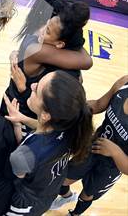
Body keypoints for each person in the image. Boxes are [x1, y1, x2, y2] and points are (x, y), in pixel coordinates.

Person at [4, 71, 94, 216]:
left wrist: (17, 128)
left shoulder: (21, 156)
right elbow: (44, 133)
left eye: (37, 89)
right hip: (49, 192)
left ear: (46, 115)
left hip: (25, 204)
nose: (32, 85)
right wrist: (21, 120)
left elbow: (18, 175)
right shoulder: (69, 127)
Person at [0, 0, 93, 133]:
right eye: (46, 24)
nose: (41, 30)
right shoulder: (36, 49)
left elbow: (87, 61)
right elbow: (87, 60)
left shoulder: (43, 52)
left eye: (48, 31)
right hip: (17, 110)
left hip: (32, 119)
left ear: (60, 44)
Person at [50, 75, 128, 216]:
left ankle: (75, 214)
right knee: (62, 179)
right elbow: (98, 104)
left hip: (112, 166)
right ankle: (67, 197)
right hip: (94, 145)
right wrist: (75, 107)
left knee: (88, 193)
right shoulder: (125, 83)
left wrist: (115, 152)